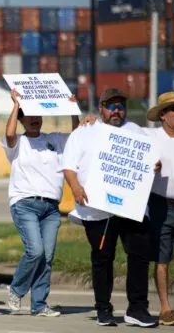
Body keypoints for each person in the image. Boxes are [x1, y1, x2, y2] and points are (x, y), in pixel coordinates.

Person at [61, 88, 158, 328]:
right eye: (111, 106)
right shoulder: (85, 131)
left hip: (130, 208)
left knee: (139, 255)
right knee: (102, 259)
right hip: (96, 210)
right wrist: (75, 187)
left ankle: (137, 309)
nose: (116, 110)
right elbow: (69, 166)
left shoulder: (136, 131)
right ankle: (103, 309)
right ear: (101, 108)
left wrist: (152, 166)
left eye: (120, 106)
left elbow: (148, 161)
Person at [1, 90, 79, 317]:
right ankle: (16, 290)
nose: (35, 119)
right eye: (29, 116)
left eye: (38, 116)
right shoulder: (18, 143)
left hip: (51, 209)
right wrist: (16, 105)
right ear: (22, 120)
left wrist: (73, 109)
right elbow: (9, 134)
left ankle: (39, 304)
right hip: (25, 204)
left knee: (47, 257)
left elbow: (77, 137)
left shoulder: (53, 139)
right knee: (35, 251)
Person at [144, 92, 174, 326]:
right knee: (162, 258)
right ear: (163, 116)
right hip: (161, 206)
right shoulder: (150, 137)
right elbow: (115, 137)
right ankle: (166, 309)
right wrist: (90, 122)